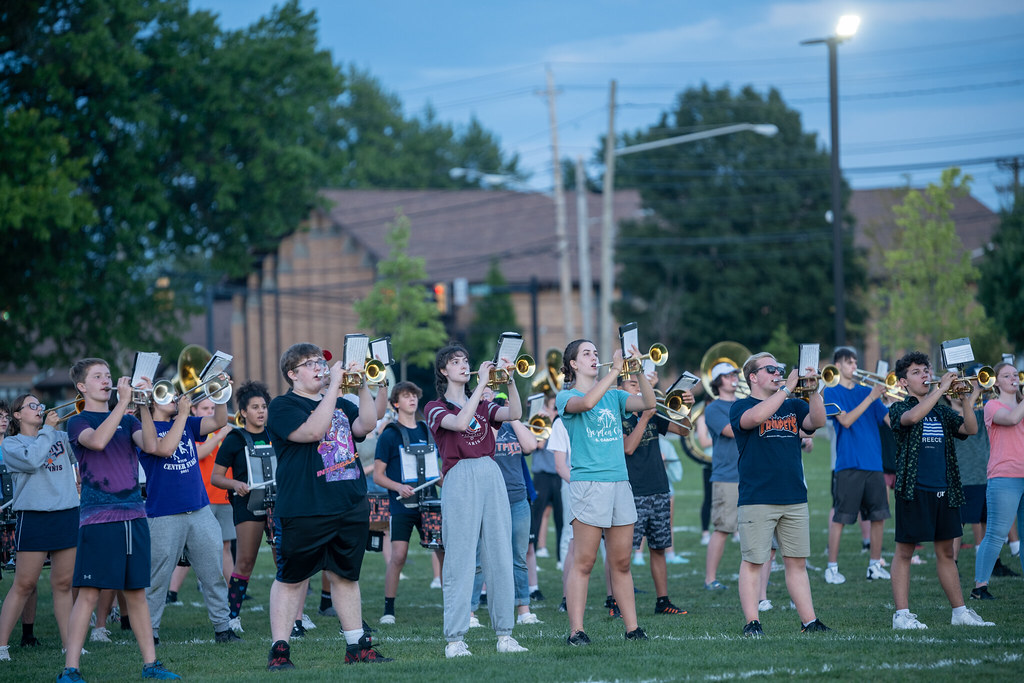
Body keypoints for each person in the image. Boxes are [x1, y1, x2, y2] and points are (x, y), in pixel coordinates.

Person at [265, 343, 391, 670]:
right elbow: (313, 431)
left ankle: (356, 646)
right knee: (291, 579)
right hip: (304, 507)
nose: (319, 367)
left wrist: (363, 385)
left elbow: (367, 424)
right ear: (292, 374)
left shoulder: (339, 403)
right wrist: (334, 385)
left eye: (320, 362)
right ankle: (280, 651)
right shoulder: (282, 405)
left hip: (348, 503)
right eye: (310, 364)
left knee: (345, 576)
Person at [59, 358, 179, 682]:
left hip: (134, 515)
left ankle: (151, 664)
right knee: (89, 593)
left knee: (136, 592)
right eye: (97, 376)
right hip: (99, 519)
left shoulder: (127, 421)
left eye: (108, 375)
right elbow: (98, 441)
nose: (106, 380)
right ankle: (70, 669)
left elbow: (153, 446)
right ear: (81, 386)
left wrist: (144, 407)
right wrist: (124, 402)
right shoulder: (78, 421)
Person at [425, 342, 527, 658]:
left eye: (465, 360)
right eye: (455, 361)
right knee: (460, 558)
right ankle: (455, 639)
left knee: (500, 553)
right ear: (443, 370)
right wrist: (482, 385)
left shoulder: (482, 403)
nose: (463, 365)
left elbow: (515, 413)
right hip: (459, 475)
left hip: (490, 471)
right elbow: (459, 424)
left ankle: (505, 634)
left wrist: (509, 381)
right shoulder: (434, 407)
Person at [558, 339, 654, 646]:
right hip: (589, 484)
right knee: (584, 561)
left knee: (622, 563)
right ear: (573, 364)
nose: (593, 357)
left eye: (595, 353)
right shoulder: (566, 396)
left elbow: (648, 403)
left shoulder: (614, 395)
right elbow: (587, 404)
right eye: (586, 354)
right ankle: (576, 630)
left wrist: (638, 372)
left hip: (619, 483)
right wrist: (614, 371)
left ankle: (632, 628)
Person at [887, 351, 993, 629]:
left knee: (946, 552)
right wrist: (942, 390)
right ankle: (901, 615)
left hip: (945, 489)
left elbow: (970, 428)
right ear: (903, 382)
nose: (924, 375)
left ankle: (960, 612)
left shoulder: (942, 411)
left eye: (926, 370)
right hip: (914, 490)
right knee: (905, 552)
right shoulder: (898, 408)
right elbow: (912, 418)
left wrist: (964, 399)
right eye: (916, 372)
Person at [730, 352, 830, 637]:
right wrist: (786, 387)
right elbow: (755, 418)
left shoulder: (793, 405)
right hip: (757, 497)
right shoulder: (740, 406)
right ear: (753, 377)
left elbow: (818, 421)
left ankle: (809, 621)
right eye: (771, 369)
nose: (777, 373)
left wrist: (814, 391)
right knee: (753, 562)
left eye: (779, 369)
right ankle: (752, 622)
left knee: (797, 563)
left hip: (794, 495)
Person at [0, 395, 80, 662]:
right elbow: (33, 460)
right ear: (17, 415)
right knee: (24, 584)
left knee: (63, 584)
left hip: (66, 513)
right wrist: (48, 430)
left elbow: (81, 455)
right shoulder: (12, 444)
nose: (40, 409)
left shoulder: (59, 436)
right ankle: (1, 646)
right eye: (32, 406)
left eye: (40, 405)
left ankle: (69, 645)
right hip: (34, 516)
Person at [372, 380, 444, 625]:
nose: (412, 399)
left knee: (442, 551)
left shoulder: (427, 431)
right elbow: (378, 475)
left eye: (414, 395)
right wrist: (398, 487)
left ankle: (452, 604)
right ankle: (388, 609)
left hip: (430, 503)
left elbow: (435, 472)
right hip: (402, 505)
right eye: (405, 396)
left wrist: (446, 480)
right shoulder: (389, 434)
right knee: (399, 555)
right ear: (395, 403)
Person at [620, 371, 690, 616]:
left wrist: (685, 408)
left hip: (659, 488)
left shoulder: (652, 411)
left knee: (659, 548)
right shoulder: (618, 415)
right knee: (623, 553)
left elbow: (684, 430)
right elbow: (628, 448)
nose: (638, 389)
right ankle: (615, 601)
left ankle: (663, 601)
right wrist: (645, 416)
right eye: (632, 385)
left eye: (641, 385)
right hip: (632, 491)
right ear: (620, 390)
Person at [470, 393, 542, 626]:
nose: (492, 399)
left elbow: (531, 446)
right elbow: (487, 448)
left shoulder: (512, 426)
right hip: (489, 499)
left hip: (517, 498)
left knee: (519, 557)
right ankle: (470, 613)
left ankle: (523, 610)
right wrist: (488, 413)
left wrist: (513, 416)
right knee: (479, 558)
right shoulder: (475, 424)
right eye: (485, 396)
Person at [822, 347, 892, 584]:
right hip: (849, 464)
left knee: (878, 516)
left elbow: (890, 421)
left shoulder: (866, 391)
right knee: (841, 518)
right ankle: (831, 568)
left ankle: (875, 565)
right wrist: (871, 397)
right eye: (849, 362)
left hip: (874, 464)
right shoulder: (832, 391)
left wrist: (895, 400)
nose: (854, 365)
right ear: (838, 366)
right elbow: (846, 421)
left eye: (855, 361)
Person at [211, 380, 274, 632]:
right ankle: (232, 616)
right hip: (247, 505)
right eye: (255, 407)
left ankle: (297, 618)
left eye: (264, 407)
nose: (261, 411)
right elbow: (216, 477)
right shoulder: (235, 439)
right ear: (243, 412)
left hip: (278, 503)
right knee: (245, 561)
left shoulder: (276, 434)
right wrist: (235, 484)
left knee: (286, 561)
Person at [972, 361, 1024, 599]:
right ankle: (980, 587)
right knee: (996, 533)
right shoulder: (992, 406)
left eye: (1015, 374)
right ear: (996, 383)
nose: (1014, 378)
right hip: (1004, 476)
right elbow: (1012, 419)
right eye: (1007, 376)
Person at [703, 362, 742, 592]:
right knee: (723, 528)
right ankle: (710, 579)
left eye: (734, 375)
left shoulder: (744, 404)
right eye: (727, 376)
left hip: (750, 474)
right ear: (718, 382)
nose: (733, 379)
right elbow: (730, 431)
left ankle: (757, 577)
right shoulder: (713, 408)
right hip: (727, 475)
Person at [529, 395, 562, 572]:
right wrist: (547, 422)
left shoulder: (562, 424)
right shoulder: (539, 423)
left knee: (561, 519)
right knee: (536, 517)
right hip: (541, 476)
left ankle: (561, 558)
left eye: (557, 408)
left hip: (558, 476)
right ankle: (532, 557)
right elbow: (539, 445)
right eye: (553, 407)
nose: (556, 411)